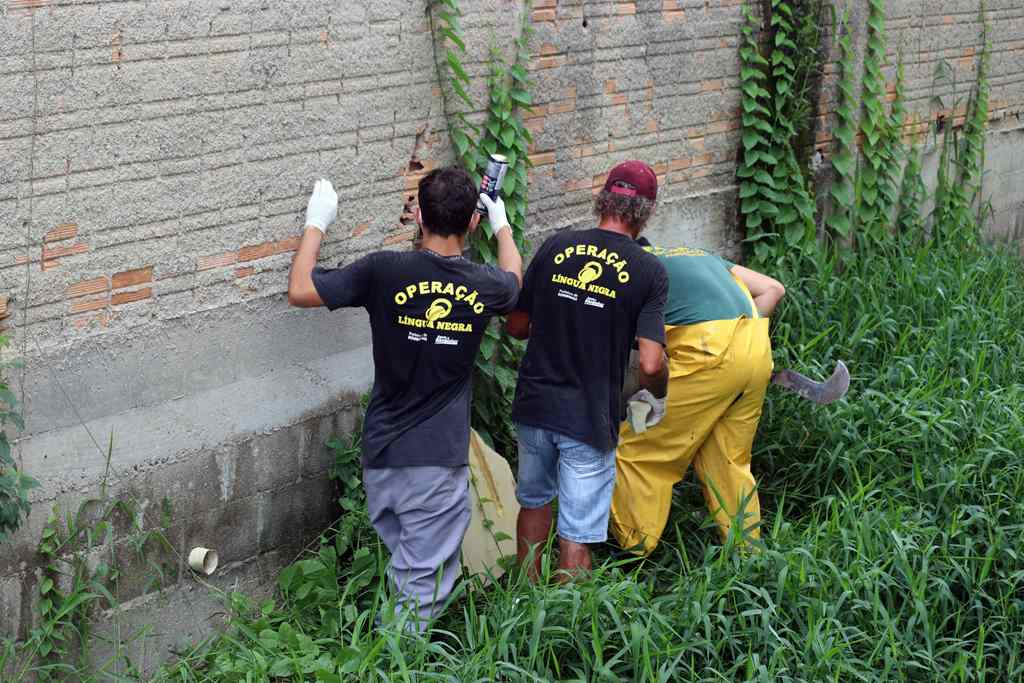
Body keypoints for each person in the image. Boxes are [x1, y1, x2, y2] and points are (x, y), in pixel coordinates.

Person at [287, 167, 522, 630]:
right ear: (471, 223)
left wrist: (317, 221)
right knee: (420, 594)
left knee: (409, 573)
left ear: (418, 215)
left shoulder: (383, 270)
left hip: (382, 457)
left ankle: (381, 654)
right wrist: (502, 225)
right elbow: (516, 282)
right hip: (435, 463)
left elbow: (300, 290)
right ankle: (394, 665)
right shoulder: (485, 284)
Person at [505, 161, 669, 580]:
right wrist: (656, 394)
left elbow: (517, 326)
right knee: (577, 533)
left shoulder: (555, 245)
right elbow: (650, 362)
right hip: (588, 414)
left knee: (534, 502)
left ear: (602, 199)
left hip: (535, 404)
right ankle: (563, 632)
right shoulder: (649, 270)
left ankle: (525, 599)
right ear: (646, 212)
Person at [609, 241, 785, 555]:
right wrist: (738, 353)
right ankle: (749, 554)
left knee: (638, 444)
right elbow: (774, 289)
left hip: (707, 352)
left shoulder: (635, 268)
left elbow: (635, 350)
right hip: (755, 345)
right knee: (728, 457)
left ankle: (632, 549)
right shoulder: (701, 256)